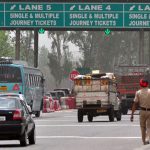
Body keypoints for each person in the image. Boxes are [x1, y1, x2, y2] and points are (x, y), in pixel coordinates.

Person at [130, 78, 150, 145]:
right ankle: (147, 138)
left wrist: (132, 115)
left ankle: (144, 141)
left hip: (142, 111)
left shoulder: (138, 92)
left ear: (140, 84)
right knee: (149, 126)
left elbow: (135, 104)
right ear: (147, 84)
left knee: (142, 127)